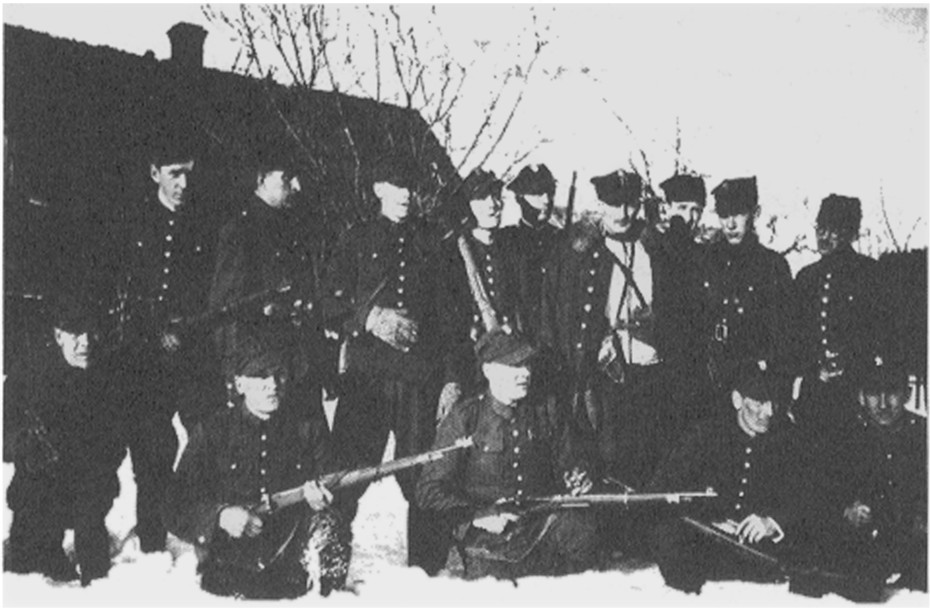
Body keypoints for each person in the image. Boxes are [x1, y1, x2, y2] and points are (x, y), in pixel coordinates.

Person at [322, 156, 458, 575]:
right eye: (396, 187)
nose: (405, 196)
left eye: (411, 188)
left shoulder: (433, 242)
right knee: (346, 476)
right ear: (378, 188)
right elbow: (328, 302)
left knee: (423, 479)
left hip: (419, 381)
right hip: (366, 380)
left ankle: (426, 576)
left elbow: (452, 317)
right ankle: (329, 574)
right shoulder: (356, 239)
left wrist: (452, 378)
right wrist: (368, 318)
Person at [163, 335, 351, 599]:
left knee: (330, 523)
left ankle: (329, 598)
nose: (272, 385)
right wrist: (219, 516)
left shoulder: (308, 428)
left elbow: (341, 489)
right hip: (227, 569)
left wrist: (324, 500)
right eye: (261, 376)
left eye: (279, 374)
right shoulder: (213, 431)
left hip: (291, 566)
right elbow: (174, 505)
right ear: (239, 383)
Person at [416, 328, 598, 580]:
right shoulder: (465, 418)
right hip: (489, 540)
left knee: (584, 533)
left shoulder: (547, 410)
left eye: (527, 364)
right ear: (488, 370)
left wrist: (577, 475)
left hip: (540, 526)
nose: (525, 373)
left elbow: (570, 458)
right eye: (514, 365)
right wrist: (476, 516)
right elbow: (429, 490)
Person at [114, 129, 220, 553]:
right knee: (152, 454)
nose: (184, 183)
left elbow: (215, 292)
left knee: (210, 442)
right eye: (175, 173)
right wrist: (153, 332)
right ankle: (152, 543)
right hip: (146, 360)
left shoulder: (206, 226)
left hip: (196, 358)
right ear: (154, 172)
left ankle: (209, 536)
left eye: (189, 174)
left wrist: (191, 333)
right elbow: (122, 292)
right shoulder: (133, 223)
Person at [541, 169, 666, 489]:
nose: (623, 214)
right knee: (606, 459)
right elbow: (562, 317)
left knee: (648, 460)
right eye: (614, 205)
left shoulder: (656, 249)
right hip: (603, 376)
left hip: (651, 372)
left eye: (630, 204)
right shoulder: (579, 254)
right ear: (600, 204)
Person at [645, 362, 816, 594]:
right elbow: (661, 490)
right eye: (759, 402)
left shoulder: (788, 442)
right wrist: (708, 520)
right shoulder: (704, 437)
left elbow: (807, 496)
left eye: (773, 403)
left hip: (760, 552)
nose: (769, 412)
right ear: (737, 400)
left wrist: (771, 523)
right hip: (704, 546)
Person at [3, 293, 127, 586]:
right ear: (58, 335)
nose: (85, 343)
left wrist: (90, 457)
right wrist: (24, 444)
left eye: (91, 333)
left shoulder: (107, 377)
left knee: (97, 573)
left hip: (88, 488)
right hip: (38, 490)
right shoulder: (28, 375)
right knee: (26, 575)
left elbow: (117, 443)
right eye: (75, 334)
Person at [209, 146, 325, 419]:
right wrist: (233, 373)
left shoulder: (294, 228)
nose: (296, 186)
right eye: (286, 178)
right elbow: (227, 308)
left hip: (299, 365)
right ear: (261, 179)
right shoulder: (240, 232)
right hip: (262, 371)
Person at [807, 356, 927, 601]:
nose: (883, 403)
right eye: (873, 394)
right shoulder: (843, 439)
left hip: (918, 557)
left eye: (891, 393)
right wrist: (845, 511)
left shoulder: (923, 435)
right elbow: (820, 497)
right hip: (862, 557)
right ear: (861, 397)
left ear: (906, 394)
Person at [696, 177, 795, 401]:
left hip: (755, 383)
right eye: (724, 215)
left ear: (755, 213)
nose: (730, 224)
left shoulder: (772, 266)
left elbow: (785, 338)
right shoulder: (705, 262)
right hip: (709, 379)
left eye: (739, 214)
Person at [793, 194, 878, 434]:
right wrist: (813, 369)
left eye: (834, 231)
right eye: (821, 228)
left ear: (851, 234)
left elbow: (880, 333)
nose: (824, 236)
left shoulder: (870, 274)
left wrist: (850, 363)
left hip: (856, 392)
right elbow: (794, 336)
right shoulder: (806, 278)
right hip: (814, 392)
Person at [443, 168, 527, 395]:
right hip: (469, 363)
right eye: (481, 198)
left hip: (509, 357)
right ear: (467, 205)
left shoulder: (513, 249)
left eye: (496, 196)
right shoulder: (452, 254)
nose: (492, 204)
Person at [503, 163, 560, 341]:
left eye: (550, 193)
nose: (546, 200)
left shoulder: (562, 240)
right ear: (520, 198)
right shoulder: (506, 241)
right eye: (537, 193)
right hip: (521, 340)